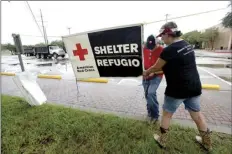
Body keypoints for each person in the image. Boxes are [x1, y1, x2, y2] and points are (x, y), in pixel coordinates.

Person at [143, 22, 212, 151]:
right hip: (194, 86)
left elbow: (157, 67)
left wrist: (146, 72)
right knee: (197, 115)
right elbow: (175, 66)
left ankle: (162, 140)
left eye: (162, 36)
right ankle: (207, 143)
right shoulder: (187, 45)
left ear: (168, 33)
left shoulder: (169, 50)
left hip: (177, 89)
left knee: (167, 115)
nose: (161, 39)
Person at [143, 35, 164, 123]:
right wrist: (144, 71)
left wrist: (154, 72)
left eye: (153, 47)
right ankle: (150, 113)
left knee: (151, 93)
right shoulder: (145, 48)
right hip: (146, 75)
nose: (150, 49)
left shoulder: (162, 50)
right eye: (149, 47)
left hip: (157, 75)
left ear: (157, 43)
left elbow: (166, 68)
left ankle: (155, 115)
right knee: (147, 95)